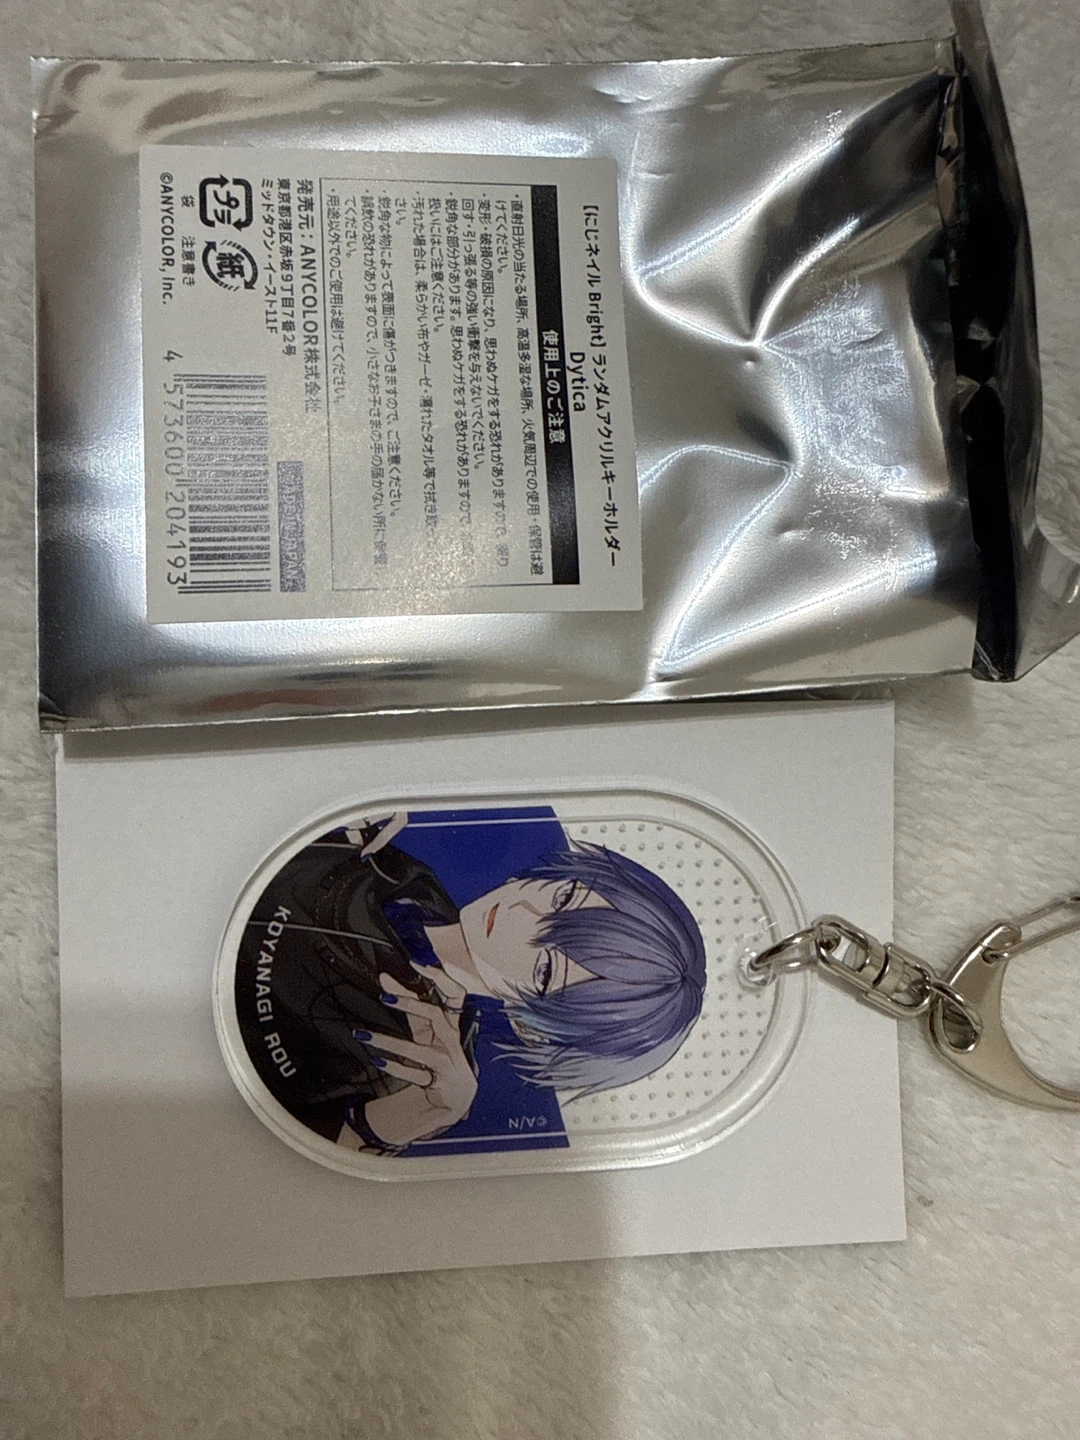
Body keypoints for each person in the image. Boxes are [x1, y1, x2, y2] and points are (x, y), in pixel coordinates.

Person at [234, 806, 706, 1156]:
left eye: (545, 970)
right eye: (563, 897)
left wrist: (415, 1115)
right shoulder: (413, 881)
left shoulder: (427, 1068)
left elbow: (278, 1154)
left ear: (530, 1027)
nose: (521, 914)